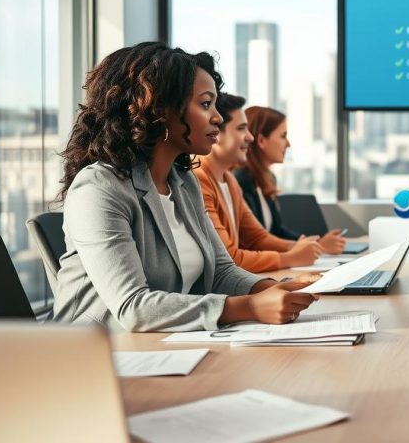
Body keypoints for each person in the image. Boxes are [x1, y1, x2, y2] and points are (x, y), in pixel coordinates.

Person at [53, 42, 319, 332]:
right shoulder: (99, 188)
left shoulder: (182, 182)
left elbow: (220, 272)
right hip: (93, 358)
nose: (217, 117)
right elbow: (134, 308)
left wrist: (272, 289)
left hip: (160, 350)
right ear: (159, 109)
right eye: (205, 104)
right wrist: (250, 306)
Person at [194, 93, 333, 273]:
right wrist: (290, 257)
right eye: (242, 128)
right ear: (216, 132)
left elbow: (257, 237)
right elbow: (228, 258)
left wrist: (302, 248)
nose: (250, 137)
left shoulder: (229, 181)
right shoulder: (199, 180)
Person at [234, 105, 346, 249]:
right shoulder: (241, 181)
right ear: (261, 140)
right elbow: (256, 242)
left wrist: (314, 243)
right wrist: (318, 246)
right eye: (283, 136)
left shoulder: (267, 179)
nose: (288, 144)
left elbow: (277, 232)